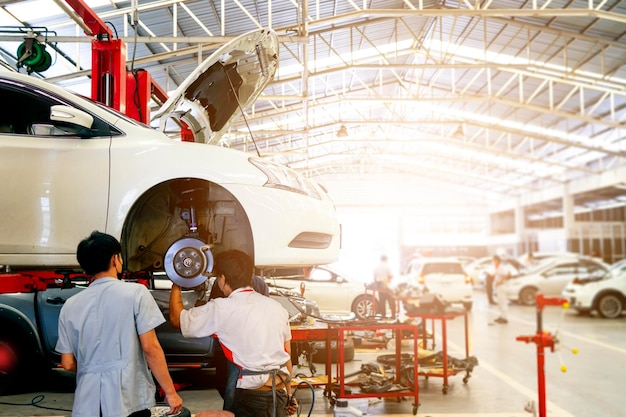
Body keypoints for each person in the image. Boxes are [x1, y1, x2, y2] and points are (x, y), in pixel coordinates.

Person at [56, 231, 183, 417]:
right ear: (115, 259)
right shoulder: (136, 293)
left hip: (87, 404)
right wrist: (171, 393)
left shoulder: (70, 305)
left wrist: (93, 367)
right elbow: (151, 348)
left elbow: (67, 363)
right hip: (129, 400)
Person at [169, 250, 298, 417]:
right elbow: (286, 354)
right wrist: (289, 396)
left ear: (222, 278)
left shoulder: (222, 308)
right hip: (279, 393)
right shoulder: (276, 308)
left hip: (251, 397)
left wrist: (176, 282)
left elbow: (177, 319)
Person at [209, 274, 270, 411]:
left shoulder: (222, 281)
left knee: (230, 385)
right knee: (232, 385)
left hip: (232, 344)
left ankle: (233, 410)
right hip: (251, 344)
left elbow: (214, 314)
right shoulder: (260, 283)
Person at [492, 254, 511, 324]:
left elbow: (507, 275)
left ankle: (505, 317)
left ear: (497, 260)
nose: (493, 262)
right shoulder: (497, 267)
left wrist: (500, 281)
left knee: (503, 302)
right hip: (498, 286)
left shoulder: (501, 267)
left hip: (502, 286)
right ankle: (501, 316)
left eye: (494, 260)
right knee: (499, 302)